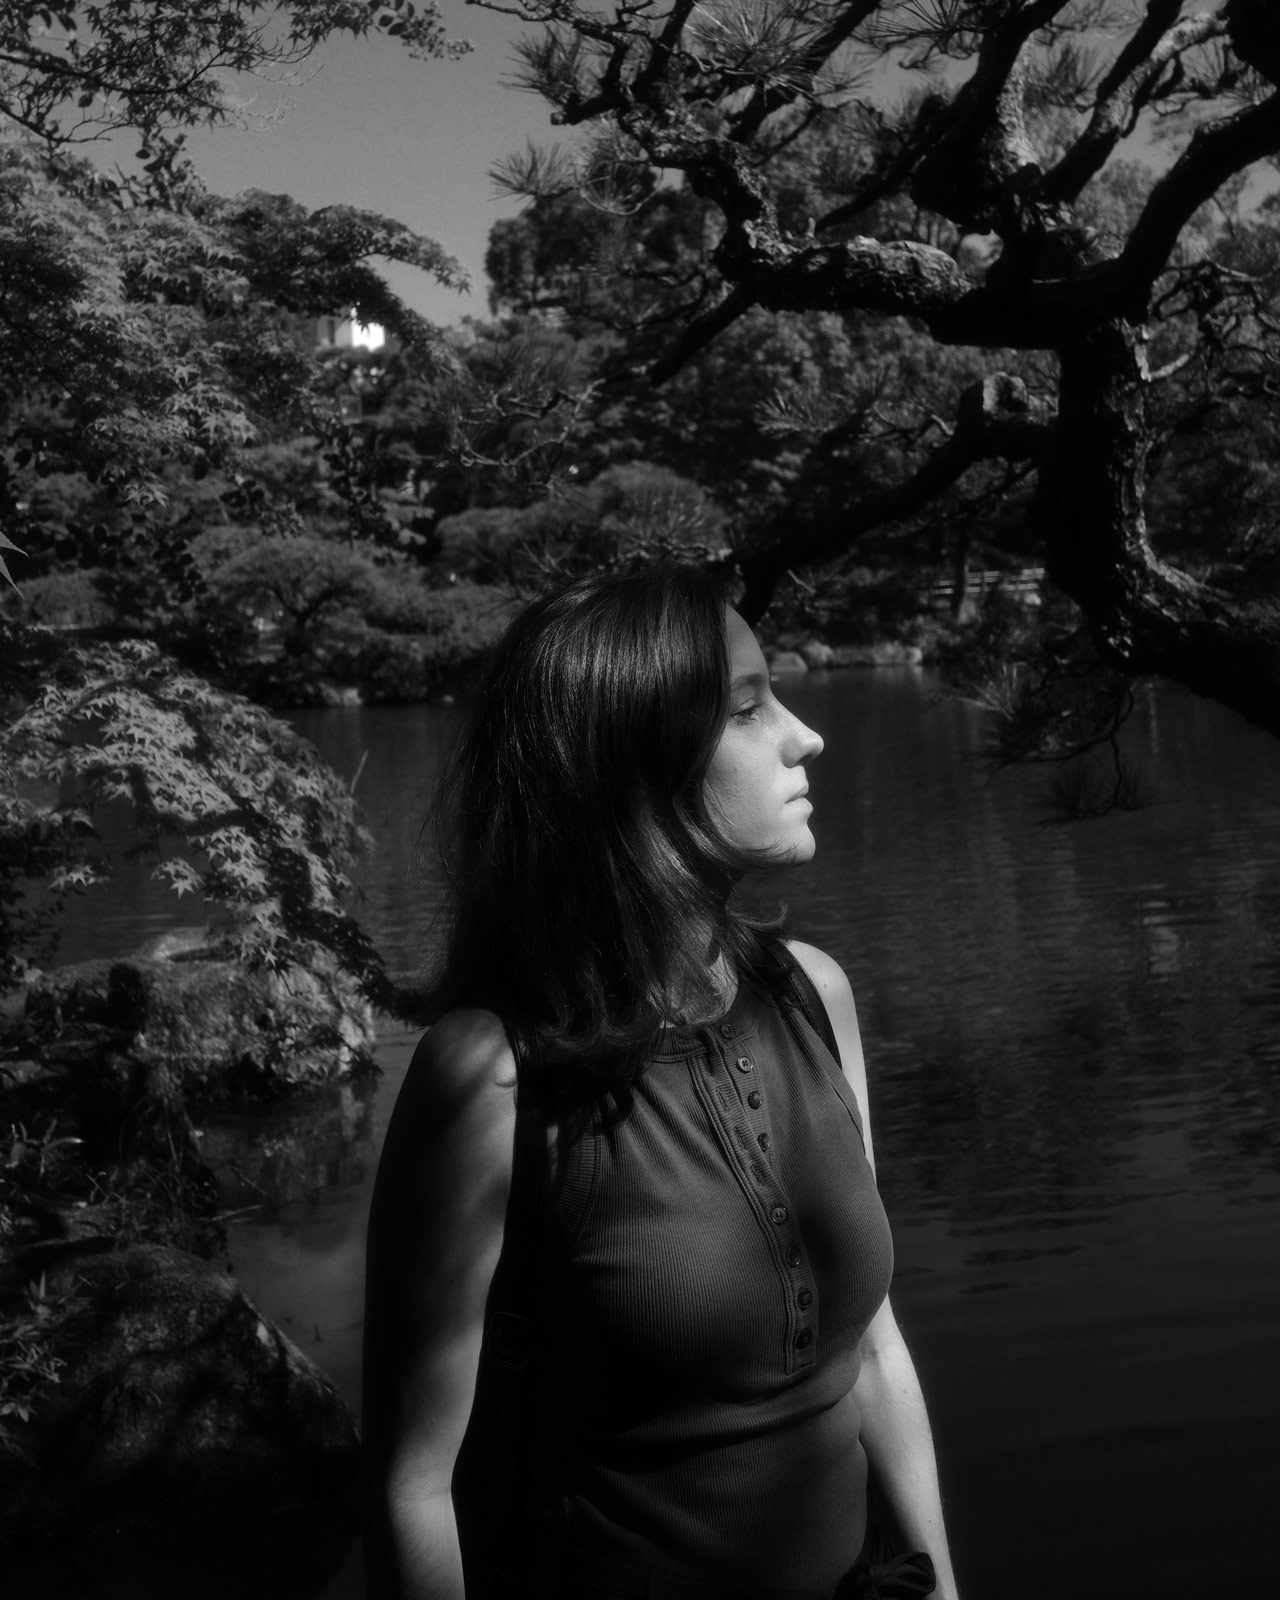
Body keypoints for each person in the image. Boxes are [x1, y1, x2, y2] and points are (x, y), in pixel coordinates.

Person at [362, 564, 960, 1600]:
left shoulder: (812, 994)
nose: (804, 733)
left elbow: (870, 1351)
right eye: (747, 704)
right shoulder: (491, 1076)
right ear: (627, 762)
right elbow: (413, 1485)